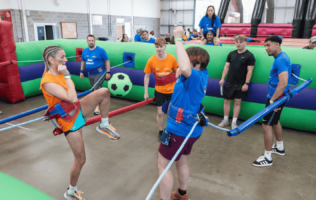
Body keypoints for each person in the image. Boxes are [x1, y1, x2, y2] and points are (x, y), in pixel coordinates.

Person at [41, 45, 120, 200]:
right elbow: (70, 97)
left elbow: (73, 99)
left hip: (76, 109)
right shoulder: (47, 81)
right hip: (67, 120)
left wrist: (65, 76)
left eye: (65, 57)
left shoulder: (59, 73)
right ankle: (71, 191)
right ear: (51, 60)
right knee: (81, 159)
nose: (65, 60)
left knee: (104, 92)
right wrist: (68, 76)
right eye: (62, 57)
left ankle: (103, 125)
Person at [158, 26, 210, 200]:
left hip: (178, 131)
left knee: (163, 166)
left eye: (185, 60)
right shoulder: (202, 75)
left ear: (194, 63)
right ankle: (182, 193)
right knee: (181, 161)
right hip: (190, 131)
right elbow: (186, 71)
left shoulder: (193, 76)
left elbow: (187, 70)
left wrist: (178, 39)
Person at [252, 36, 291, 167]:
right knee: (275, 121)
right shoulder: (281, 57)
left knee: (266, 125)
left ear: (277, 45)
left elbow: (283, 83)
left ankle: (267, 157)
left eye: (268, 45)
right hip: (277, 96)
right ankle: (279, 147)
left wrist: (273, 100)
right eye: (265, 46)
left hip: (277, 97)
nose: (266, 48)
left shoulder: (281, 60)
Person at [144, 38, 178, 141]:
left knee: (171, 112)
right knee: (160, 113)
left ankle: (171, 130)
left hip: (172, 91)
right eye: (157, 47)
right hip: (159, 91)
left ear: (165, 47)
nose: (159, 49)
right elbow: (147, 76)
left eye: (161, 46)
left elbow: (178, 73)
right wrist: (145, 92)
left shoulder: (172, 58)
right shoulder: (151, 60)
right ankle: (160, 131)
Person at [218, 35, 255, 129]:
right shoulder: (231, 54)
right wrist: (222, 78)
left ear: (245, 42)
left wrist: (246, 83)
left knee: (237, 102)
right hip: (230, 82)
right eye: (236, 42)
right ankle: (225, 120)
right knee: (226, 101)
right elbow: (226, 67)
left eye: (240, 42)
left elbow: (250, 71)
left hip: (241, 83)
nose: (238, 44)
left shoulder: (249, 55)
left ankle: (234, 122)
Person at [80, 35, 111, 115]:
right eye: (89, 40)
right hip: (90, 73)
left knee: (96, 89)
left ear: (95, 41)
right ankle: (99, 102)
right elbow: (83, 62)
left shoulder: (101, 50)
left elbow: (107, 61)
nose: (91, 42)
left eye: (92, 40)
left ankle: (97, 107)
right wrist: (81, 71)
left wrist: (108, 72)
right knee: (94, 90)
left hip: (100, 72)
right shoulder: (85, 51)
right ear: (87, 41)